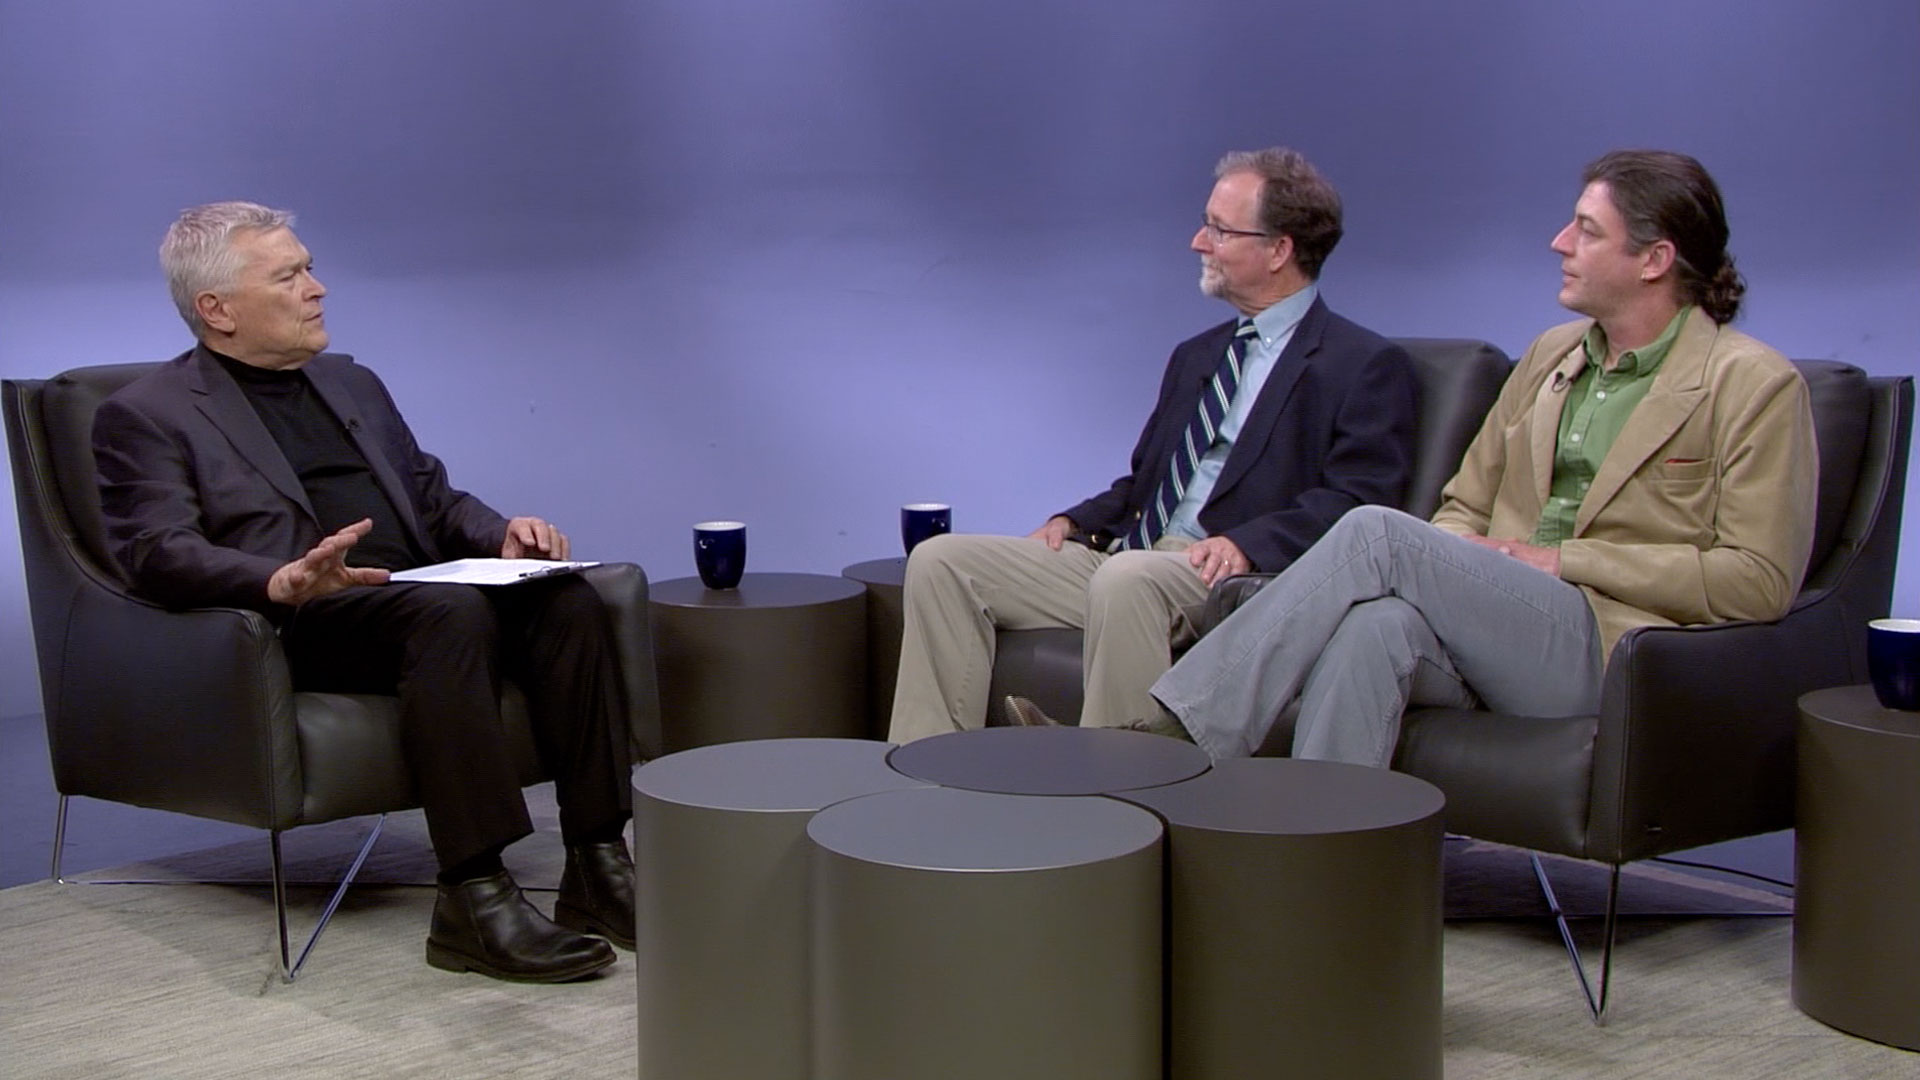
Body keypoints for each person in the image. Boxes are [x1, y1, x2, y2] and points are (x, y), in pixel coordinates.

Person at [93, 202, 650, 983]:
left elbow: (429, 496)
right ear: (216, 310)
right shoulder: (146, 415)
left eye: (310, 267)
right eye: (289, 276)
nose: (317, 289)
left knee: (568, 599)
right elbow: (153, 551)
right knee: (447, 614)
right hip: (300, 617)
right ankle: (473, 898)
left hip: (417, 596)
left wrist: (500, 535)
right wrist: (276, 580)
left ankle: (597, 864)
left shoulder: (348, 381)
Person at [1146, 149, 1817, 764]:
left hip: (1616, 644)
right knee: (1377, 627)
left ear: (1654, 260)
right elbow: (1463, 505)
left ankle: (1178, 738)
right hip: (1499, 620)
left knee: (1375, 532)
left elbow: (1756, 580)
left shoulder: (1753, 385)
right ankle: (1324, 866)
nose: (1560, 243)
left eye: (1586, 230)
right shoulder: (1552, 355)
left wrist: (1564, 561)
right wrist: (1461, 570)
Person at [887, 148, 1417, 741]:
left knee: (1128, 579)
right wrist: (1074, 520)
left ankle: (1113, 790)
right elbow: (1145, 484)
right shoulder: (1197, 355)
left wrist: (1246, 543)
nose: (1198, 241)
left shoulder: (1362, 364)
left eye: (1219, 228)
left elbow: (1360, 502)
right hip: (1133, 554)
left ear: (1279, 250)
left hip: (1230, 576)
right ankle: (927, 772)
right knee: (942, 562)